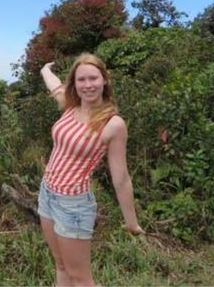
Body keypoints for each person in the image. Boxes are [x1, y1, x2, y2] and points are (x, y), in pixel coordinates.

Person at [38, 53, 144, 287]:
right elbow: (55, 87)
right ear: (74, 84)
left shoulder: (112, 124)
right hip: (47, 194)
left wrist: (131, 222)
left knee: (81, 279)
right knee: (61, 265)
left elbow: (121, 177)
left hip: (73, 204)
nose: (88, 85)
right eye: (81, 79)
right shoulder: (70, 106)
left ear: (105, 80)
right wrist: (45, 70)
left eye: (93, 78)